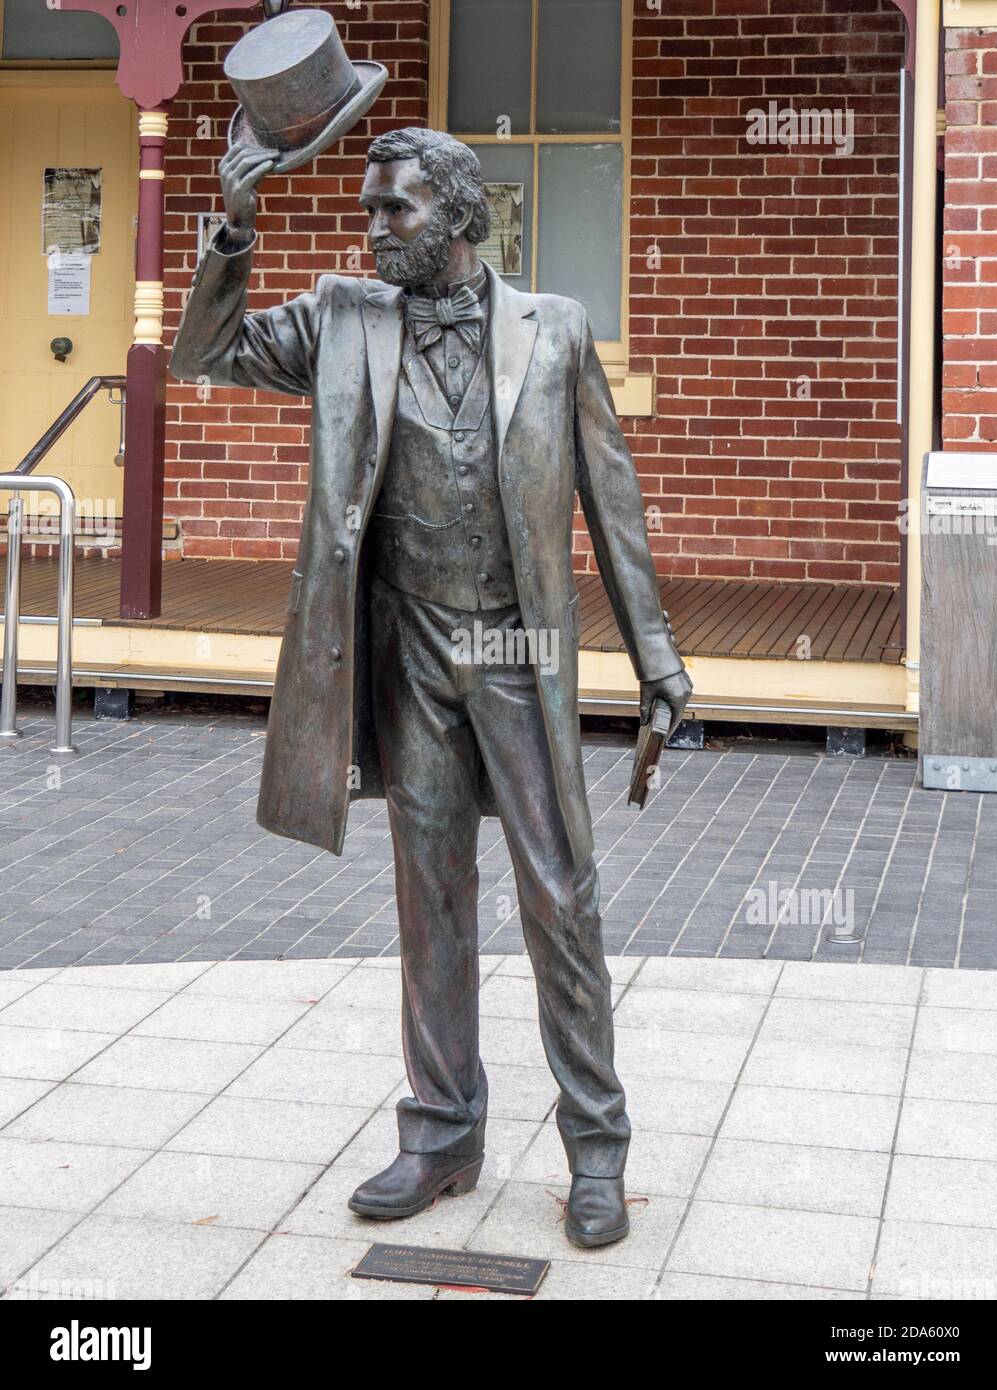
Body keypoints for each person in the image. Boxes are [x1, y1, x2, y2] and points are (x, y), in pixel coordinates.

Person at [170, 127, 692, 1249]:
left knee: (560, 894)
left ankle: (595, 1147)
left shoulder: (553, 331)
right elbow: (203, 353)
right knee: (429, 897)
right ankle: (442, 1129)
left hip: (516, 652)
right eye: (369, 210)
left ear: (460, 217)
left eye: (394, 210)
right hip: (406, 648)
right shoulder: (342, 317)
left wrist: (656, 657)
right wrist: (233, 225)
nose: (372, 228)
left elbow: (614, 500)